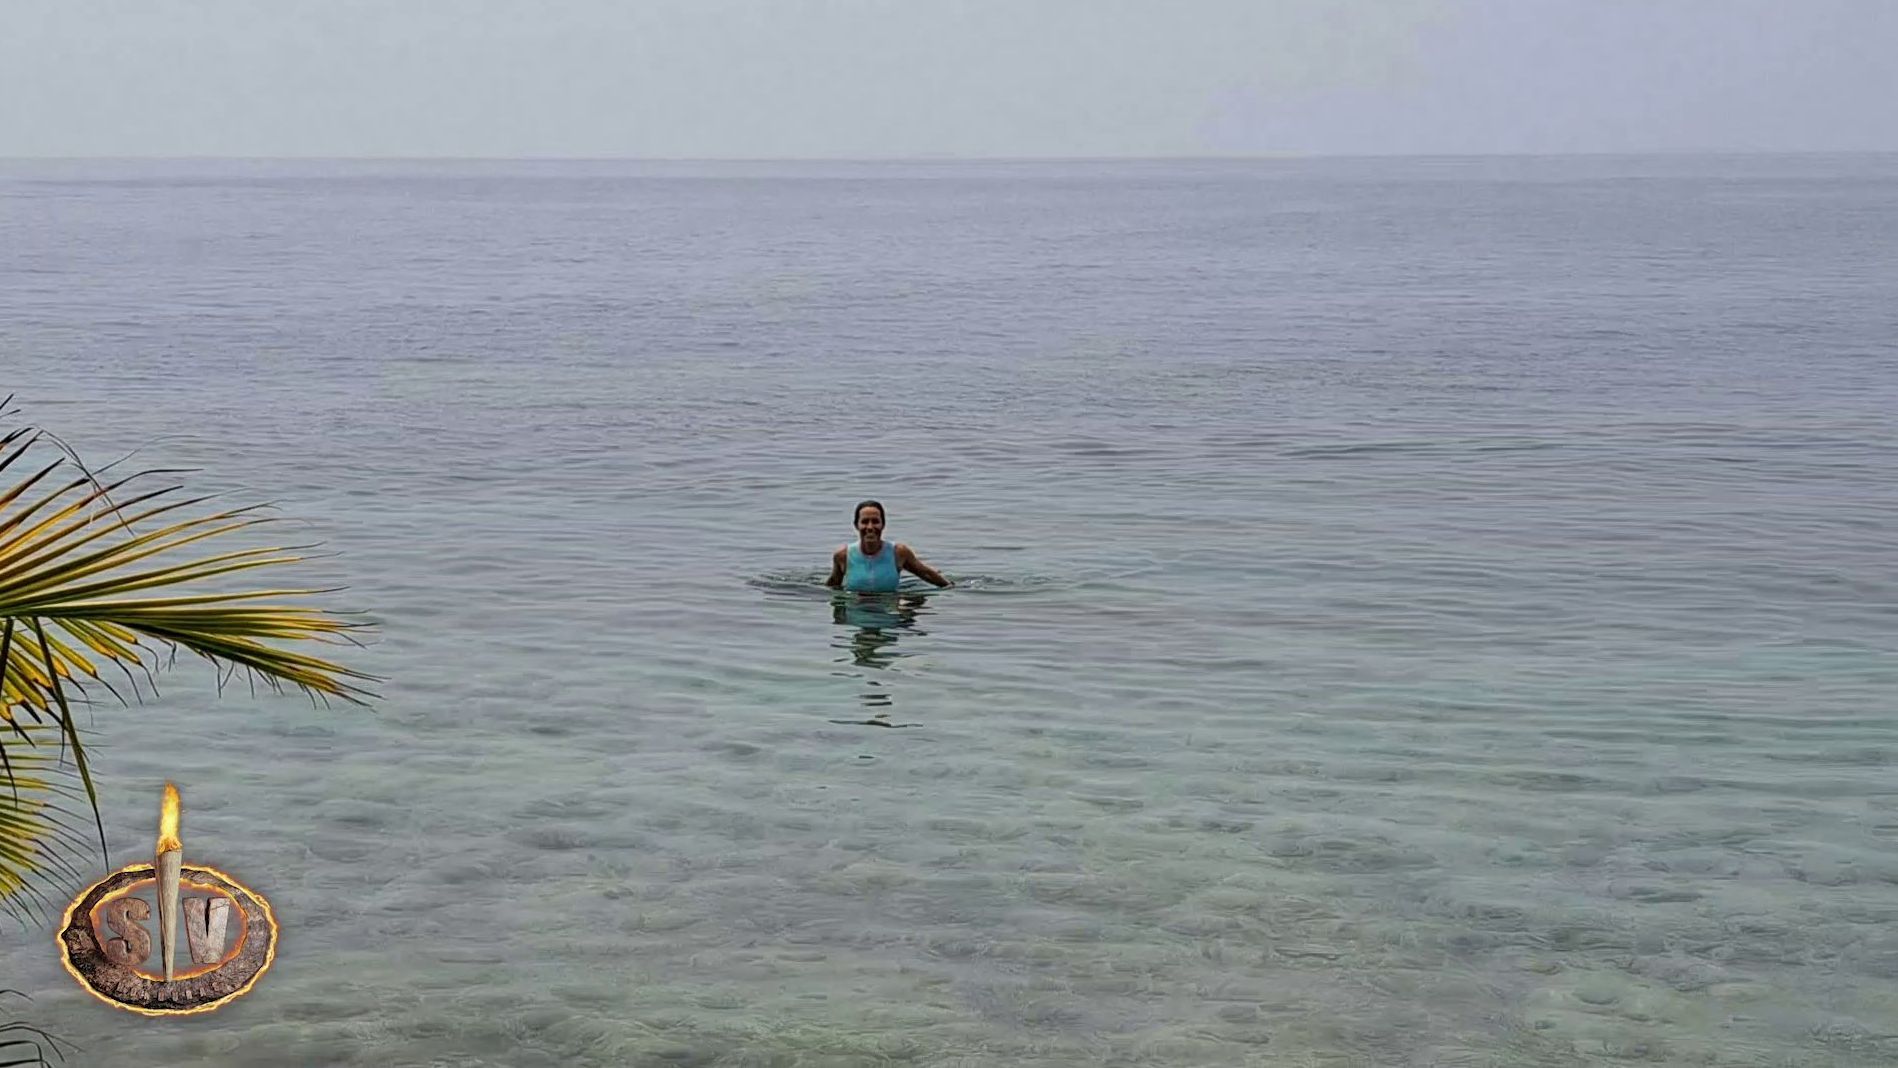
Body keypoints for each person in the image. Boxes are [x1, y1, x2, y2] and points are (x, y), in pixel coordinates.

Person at [826, 500, 951, 591]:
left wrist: (951, 587)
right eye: (864, 522)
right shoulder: (843, 556)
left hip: (889, 615)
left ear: (883, 525)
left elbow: (925, 573)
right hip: (857, 613)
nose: (870, 527)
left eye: (875, 522)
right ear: (856, 525)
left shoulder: (899, 552)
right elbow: (834, 586)